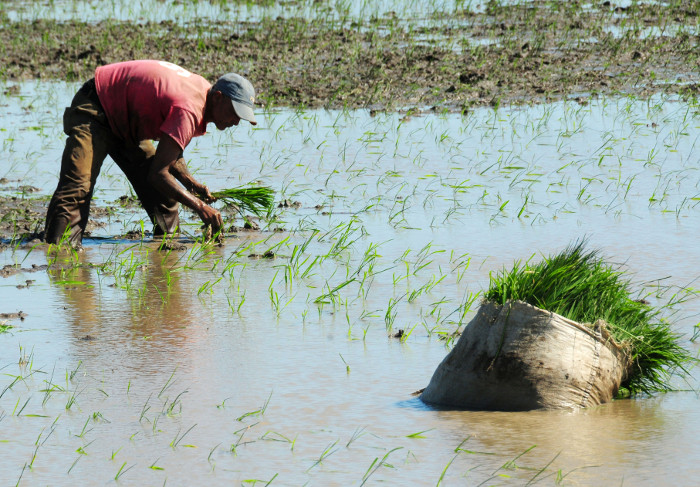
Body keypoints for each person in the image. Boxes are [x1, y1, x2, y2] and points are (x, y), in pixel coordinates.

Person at [44, 59, 257, 246]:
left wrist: (192, 184)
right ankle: (58, 254)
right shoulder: (189, 109)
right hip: (97, 105)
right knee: (77, 189)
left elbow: (171, 153)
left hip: (127, 124)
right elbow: (158, 174)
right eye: (234, 112)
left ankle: (167, 251)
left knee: (164, 199)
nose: (236, 121)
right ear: (218, 97)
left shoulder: (204, 92)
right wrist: (200, 207)